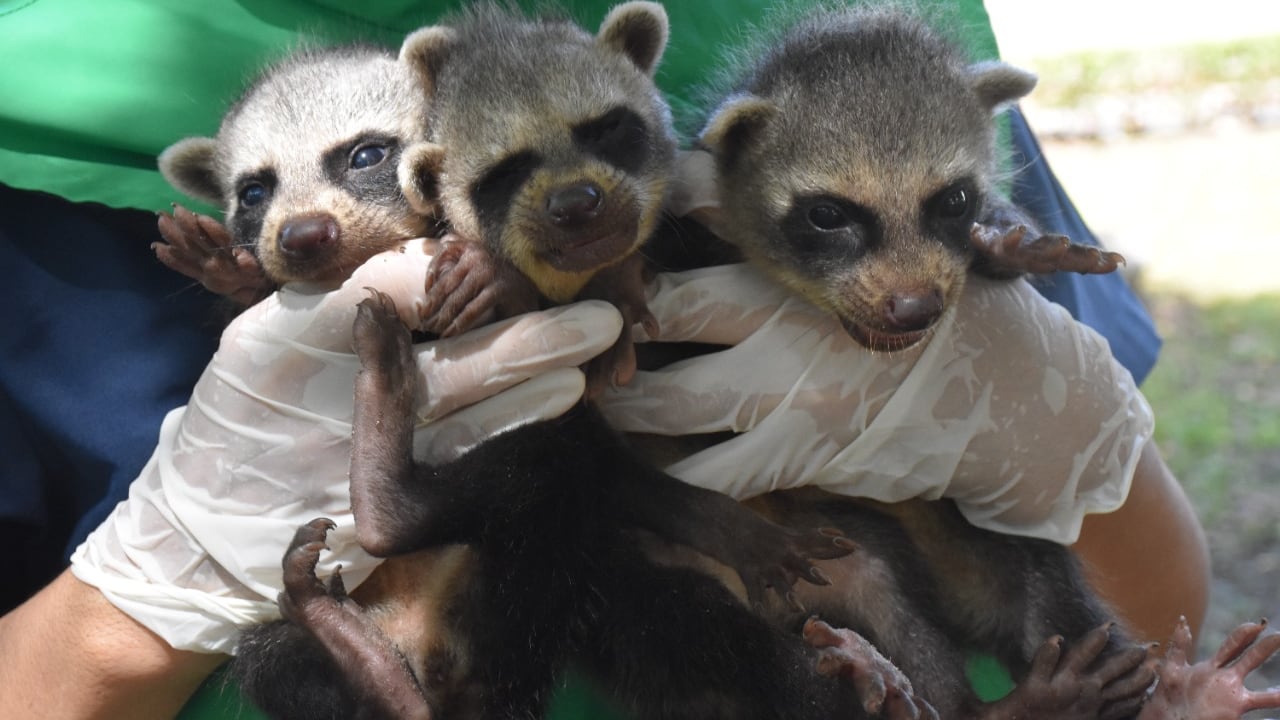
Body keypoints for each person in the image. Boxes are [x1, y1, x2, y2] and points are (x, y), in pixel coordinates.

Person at [0, 1, 1209, 718]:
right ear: (442, 186)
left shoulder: (857, 44)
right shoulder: (39, 91)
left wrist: (1058, 428)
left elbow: (1155, 618)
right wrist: (154, 579)